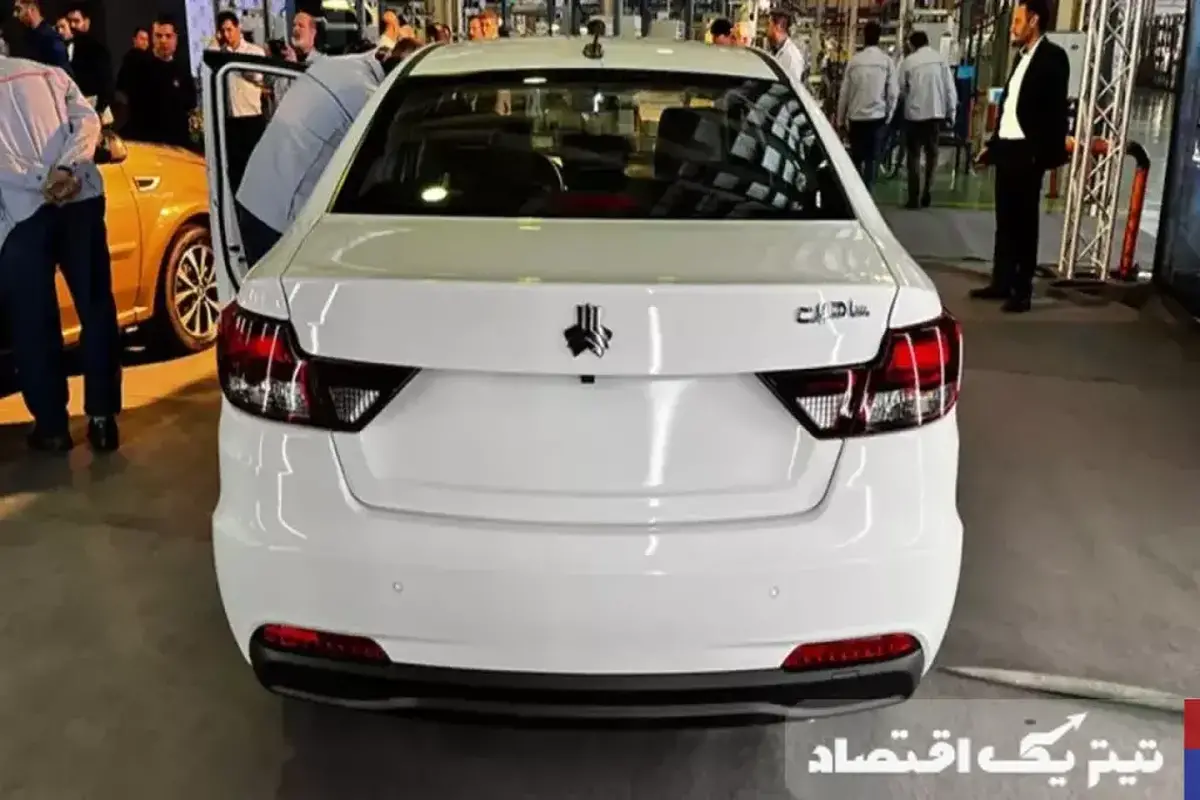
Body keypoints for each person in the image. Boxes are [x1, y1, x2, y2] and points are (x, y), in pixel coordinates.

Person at [0, 54, 121, 452]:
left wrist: (42, 180)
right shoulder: (49, 73)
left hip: (22, 216)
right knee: (96, 308)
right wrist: (67, 169)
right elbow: (88, 122)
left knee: (34, 323)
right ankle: (103, 421)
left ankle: (52, 428)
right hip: (80, 200)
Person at [234, 38, 422, 266]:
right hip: (279, 216)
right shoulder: (365, 98)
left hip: (253, 193)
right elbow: (380, 176)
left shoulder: (339, 65)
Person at [972, 0, 1069, 313]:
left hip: (1028, 152)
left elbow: (1055, 112)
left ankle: (1022, 290)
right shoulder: (1020, 57)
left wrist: (1042, 153)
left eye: (1017, 20)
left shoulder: (1053, 57)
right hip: (1007, 149)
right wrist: (993, 145)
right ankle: (1001, 281)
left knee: (1024, 224)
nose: (1013, 27)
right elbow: (1009, 108)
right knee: (1005, 221)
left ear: (1034, 20)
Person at [836, 21, 897, 190]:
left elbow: (844, 94)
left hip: (856, 119)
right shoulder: (886, 62)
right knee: (872, 159)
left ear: (864, 37)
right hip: (877, 119)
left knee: (856, 159)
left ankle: (855, 193)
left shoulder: (854, 62)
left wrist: (840, 121)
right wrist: (888, 115)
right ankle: (868, 192)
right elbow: (893, 93)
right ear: (879, 38)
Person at [899, 30, 956, 209]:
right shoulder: (940, 60)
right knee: (932, 154)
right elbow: (950, 89)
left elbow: (900, 89)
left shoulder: (908, 62)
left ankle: (913, 198)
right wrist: (951, 113)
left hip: (914, 116)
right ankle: (927, 191)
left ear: (912, 45)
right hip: (934, 114)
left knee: (913, 156)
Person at [121, 15, 196, 149]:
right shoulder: (139, 67)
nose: (163, 40)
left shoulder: (182, 71)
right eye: (158, 36)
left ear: (176, 39)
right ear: (152, 38)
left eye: (168, 36)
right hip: (148, 143)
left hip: (178, 144)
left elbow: (190, 104)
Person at [64, 2, 112, 119]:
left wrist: (100, 107)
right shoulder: (64, 47)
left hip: (91, 110)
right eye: (69, 21)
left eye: (76, 21)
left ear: (87, 22)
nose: (72, 25)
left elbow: (106, 83)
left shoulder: (98, 49)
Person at [12, 0, 70, 72]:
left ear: (31, 10)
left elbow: (64, 73)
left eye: (19, 10)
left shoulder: (51, 40)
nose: (15, 14)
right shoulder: (26, 37)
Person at [766, 10, 806, 89]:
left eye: (769, 25)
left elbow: (792, 89)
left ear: (779, 26)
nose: (766, 29)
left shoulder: (792, 57)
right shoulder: (776, 49)